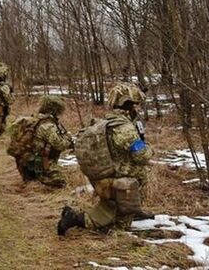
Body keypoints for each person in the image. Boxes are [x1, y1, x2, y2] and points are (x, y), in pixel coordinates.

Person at [58, 83, 154, 235]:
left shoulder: (109, 122)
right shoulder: (124, 128)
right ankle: (75, 219)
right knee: (117, 226)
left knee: (113, 209)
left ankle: (130, 211)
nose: (139, 108)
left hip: (109, 175)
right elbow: (141, 155)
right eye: (136, 105)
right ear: (129, 105)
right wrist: (149, 149)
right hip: (120, 178)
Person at [9, 96, 73, 188]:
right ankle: (41, 178)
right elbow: (60, 145)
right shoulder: (47, 126)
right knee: (61, 183)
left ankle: (31, 178)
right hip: (40, 165)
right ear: (56, 110)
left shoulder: (33, 119)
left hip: (24, 164)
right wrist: (68, 137)